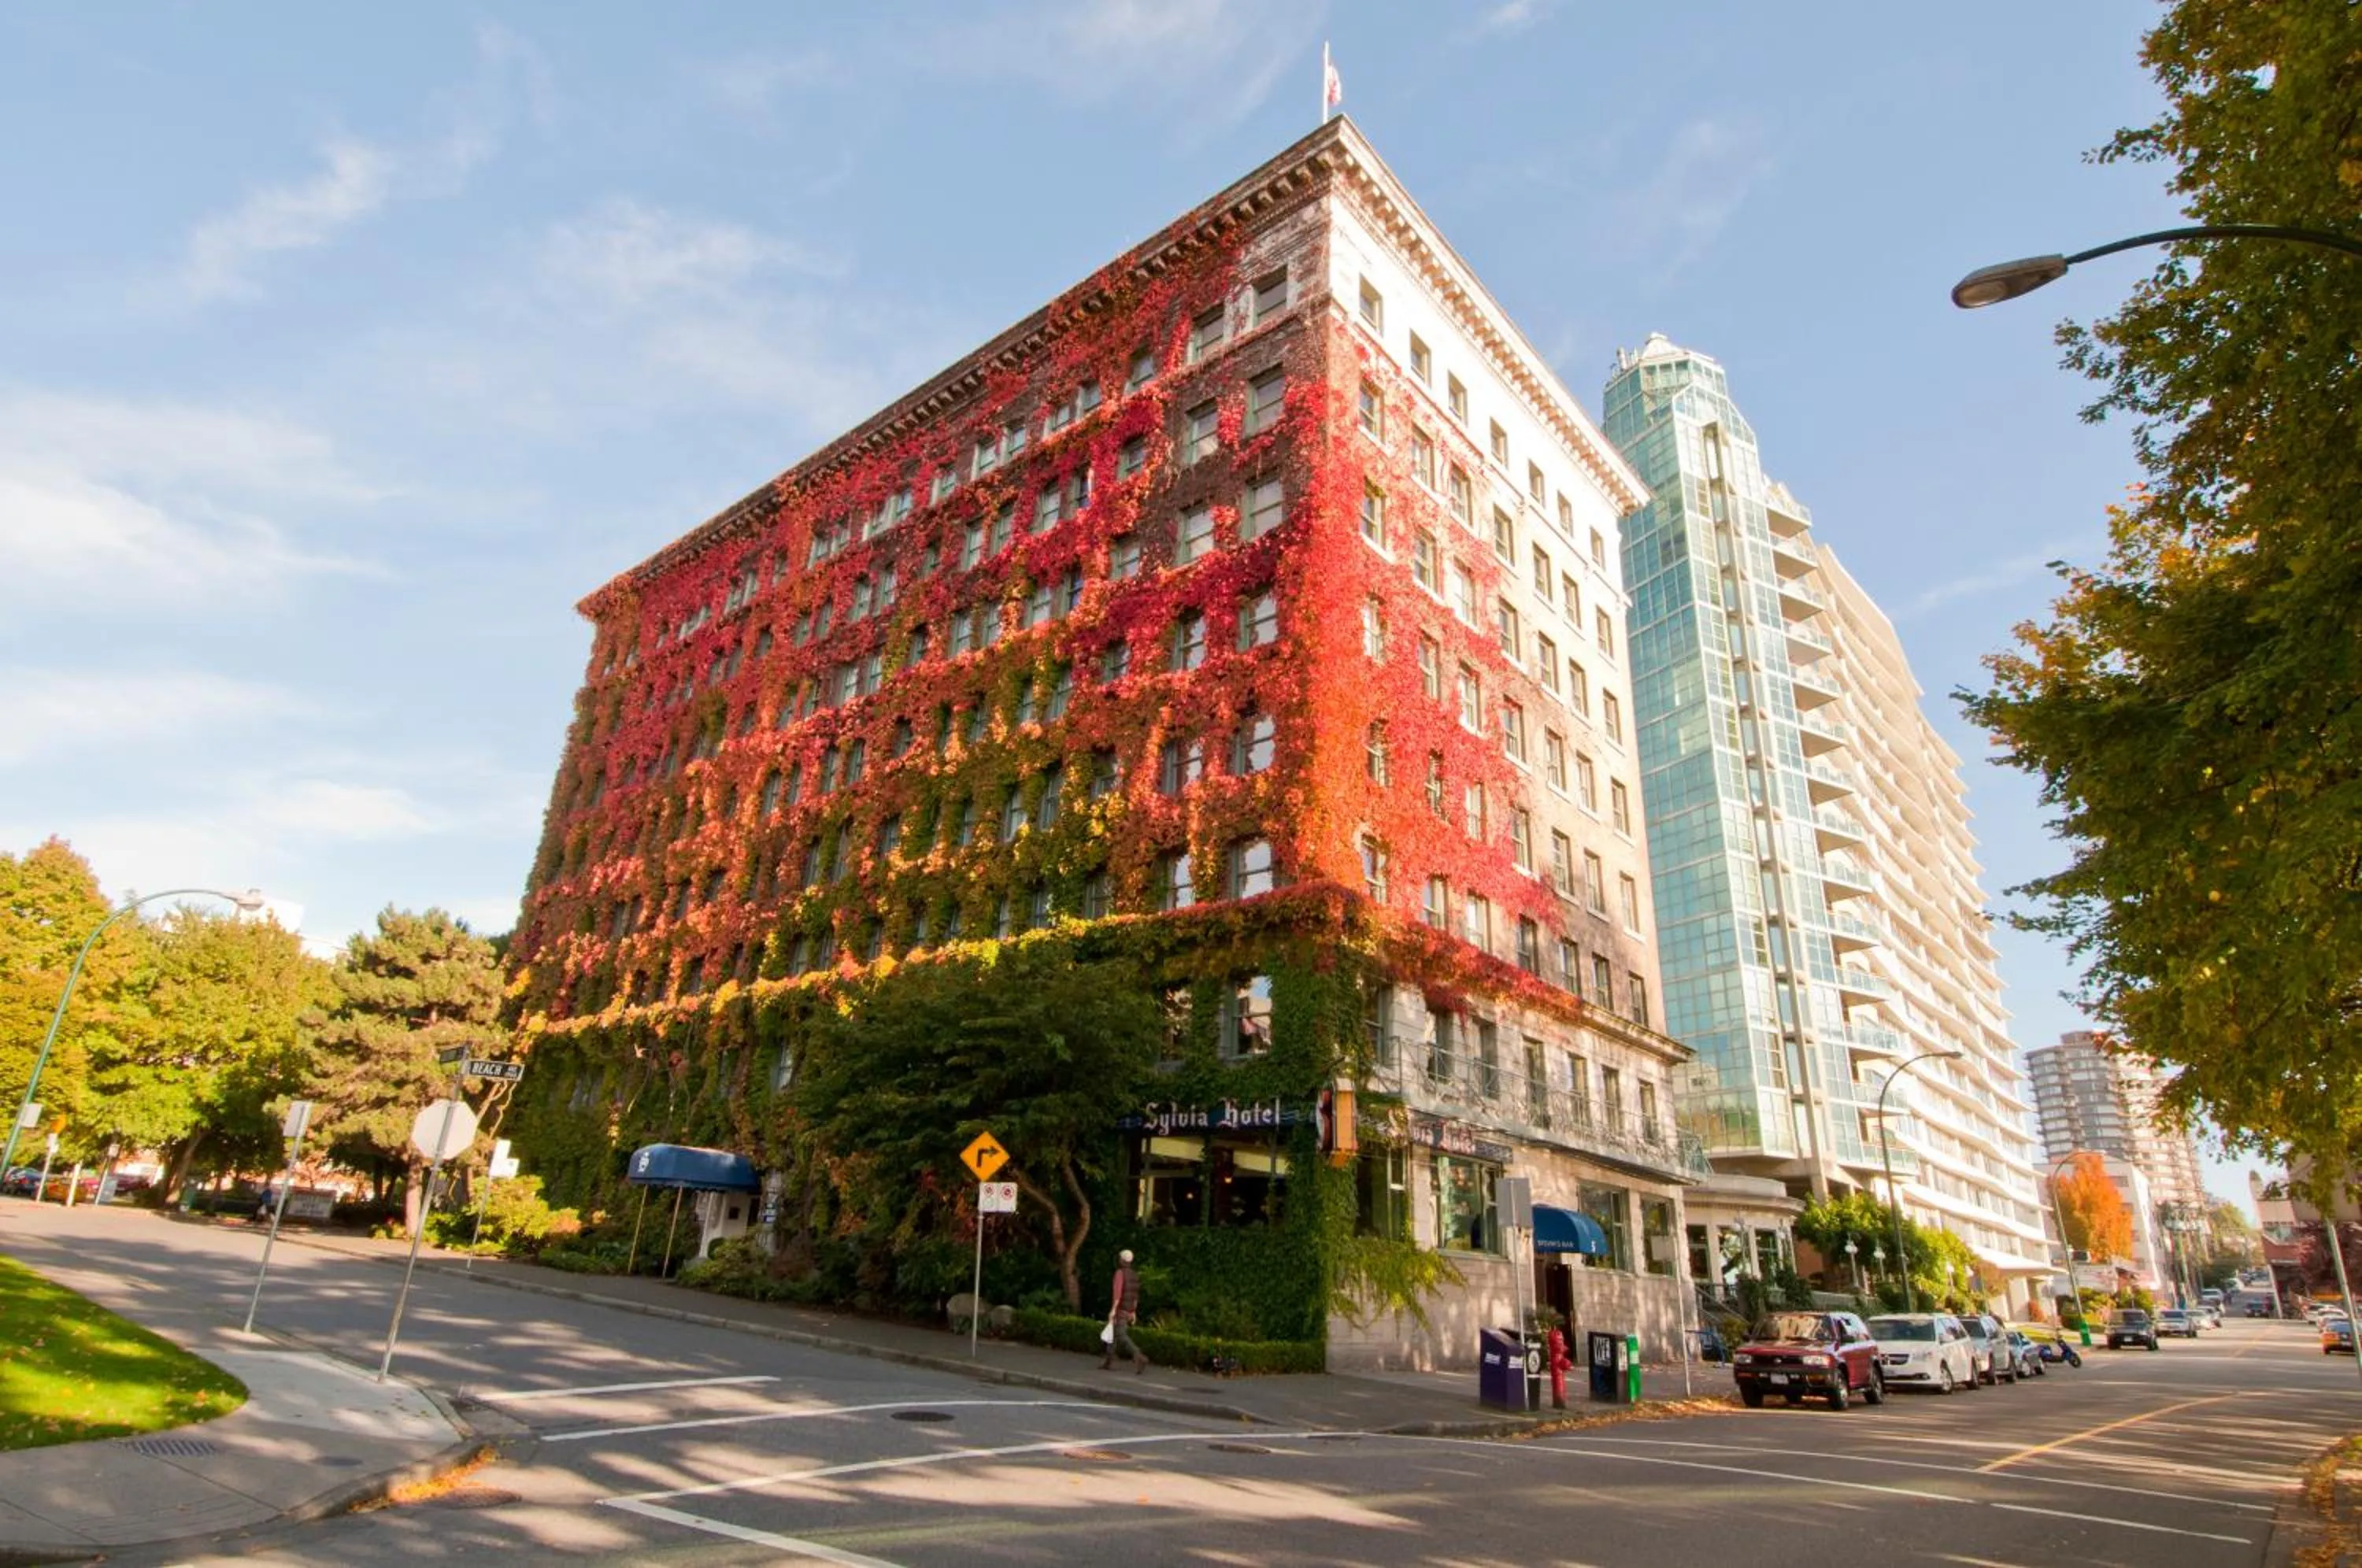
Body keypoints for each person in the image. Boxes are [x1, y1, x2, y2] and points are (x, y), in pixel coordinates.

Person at [1101, 1248, 1147, 1374]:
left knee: (1121, 1334)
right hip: (1128, 1309)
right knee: (1114, 1335)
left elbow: (1117, 1294)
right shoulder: (1134, 1275)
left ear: (1121, 1260)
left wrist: (1113, 1310)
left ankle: (1138, 1355)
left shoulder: (1120, 1274)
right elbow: (1135, 1295)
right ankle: (1108, 1361)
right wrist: (1133, 1311)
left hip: (1121, 1309)